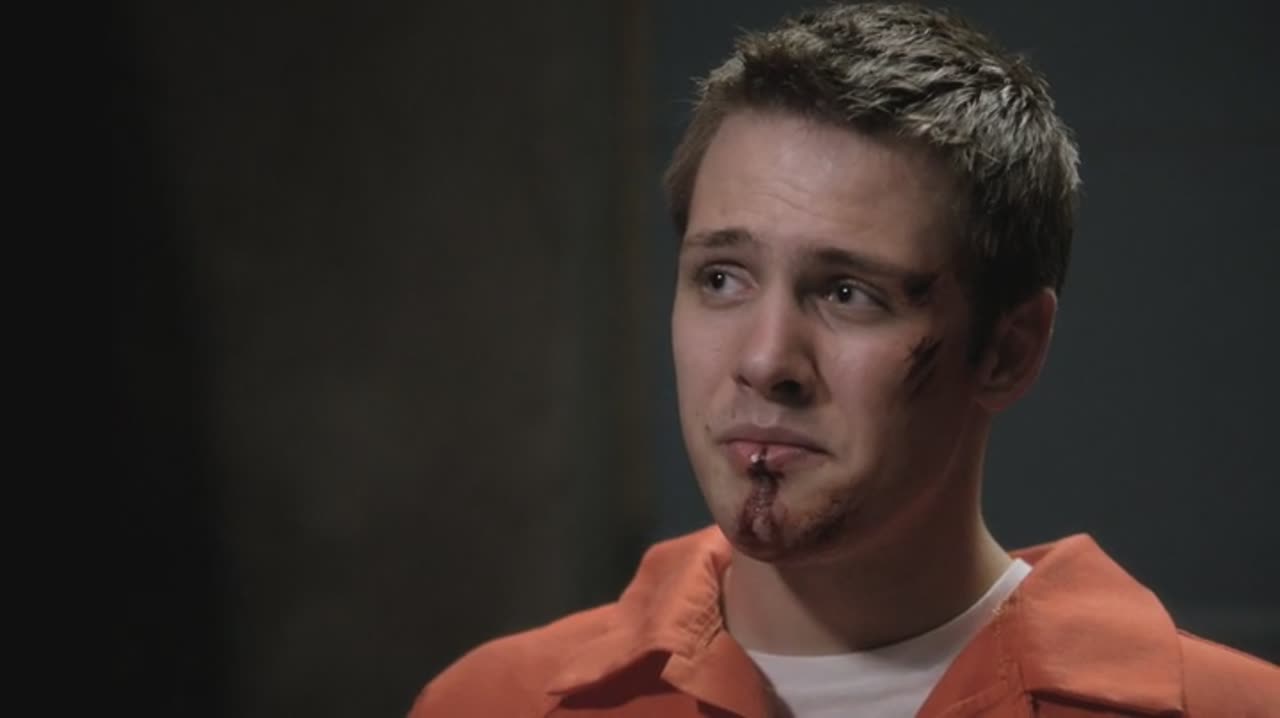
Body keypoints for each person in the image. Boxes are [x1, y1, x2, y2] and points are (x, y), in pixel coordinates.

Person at [412, 4, 1279, 716]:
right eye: (722, 277)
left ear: (1008, 351)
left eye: (848, 293)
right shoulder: (494, 705)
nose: (765, 362)